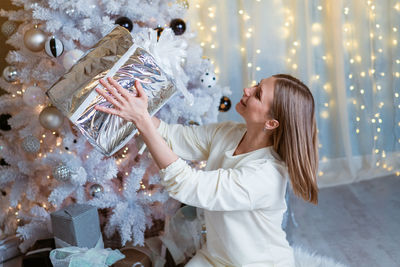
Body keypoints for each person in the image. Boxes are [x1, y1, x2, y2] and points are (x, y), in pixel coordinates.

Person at [94, 74, 319, 267]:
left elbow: (187, 185)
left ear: (271, 123)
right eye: (256, 84)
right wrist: (135, 109)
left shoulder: (266, 176)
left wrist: (141, 120)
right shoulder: (229, 133)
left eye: (258, 94)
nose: (247, 90)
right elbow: (173, 137)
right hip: (215, 258)